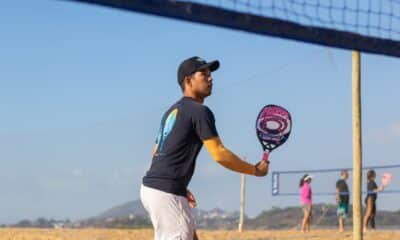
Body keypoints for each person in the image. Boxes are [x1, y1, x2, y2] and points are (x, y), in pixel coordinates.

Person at [140, 56, 269, 240]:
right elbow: (219, 154)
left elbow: (156, 152)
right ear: (188, 81)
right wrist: (254, 170)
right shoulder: (199, 112)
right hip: (165, 190)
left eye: (210, 74)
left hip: (153, 187)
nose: (210, 78)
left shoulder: (172, 111)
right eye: (204, 74)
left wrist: (180, 186)